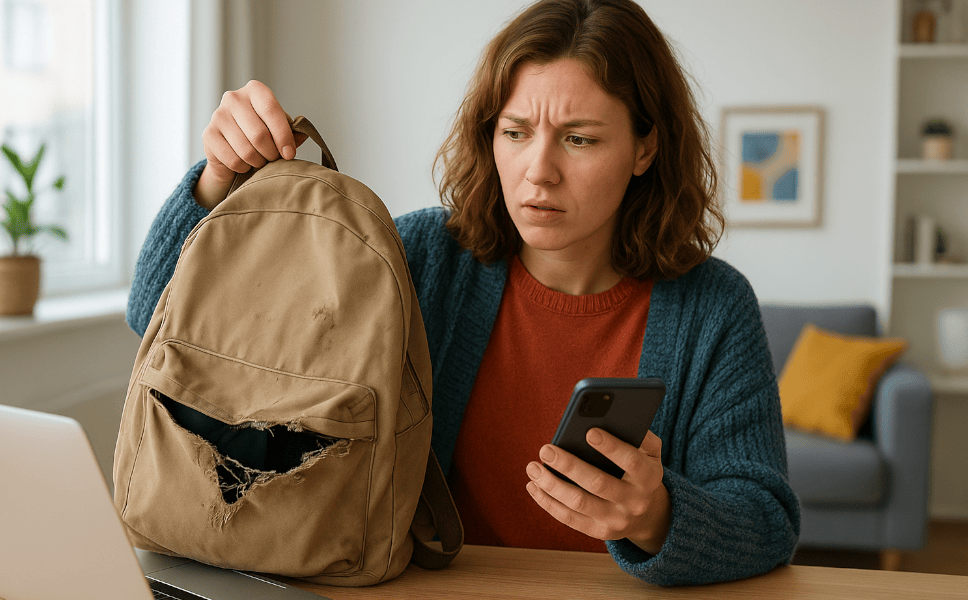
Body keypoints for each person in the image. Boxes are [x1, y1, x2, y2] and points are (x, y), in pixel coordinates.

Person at [126, 0, 800, 587]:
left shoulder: (713, 307)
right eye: (515, 133)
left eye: (579, 139)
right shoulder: (417, 258)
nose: (539, 171)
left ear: (645, 148)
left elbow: (767, 519)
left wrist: (658, 517)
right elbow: (154, 316)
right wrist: (217, 182)